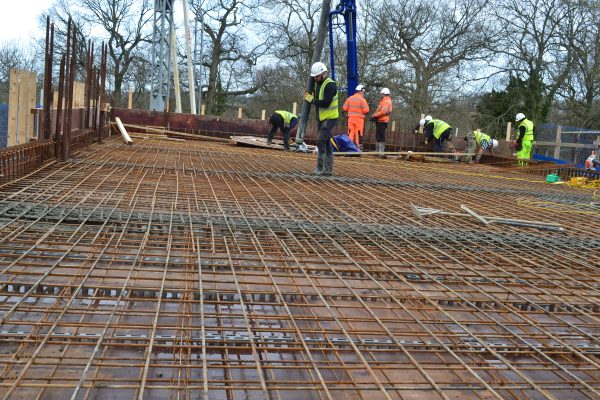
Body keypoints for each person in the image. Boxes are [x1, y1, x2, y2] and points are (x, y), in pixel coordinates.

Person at [304, 61, 339, 176]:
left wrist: (311, 100)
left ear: (323, 74)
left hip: (330, 119)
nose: (315, 79)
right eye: (313, 77)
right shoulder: (318, 83)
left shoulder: (330, 85)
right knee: (326, 142)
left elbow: (326, 103)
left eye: (316, 77)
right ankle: (328, 170)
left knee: (320, 140)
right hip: (322, 118)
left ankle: (320, 168)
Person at [342, 84, 369, 149]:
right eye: (363, 92)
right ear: (361, 91)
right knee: (358, 133)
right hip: (359, 120)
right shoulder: (362, 100)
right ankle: (358, 147)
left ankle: (349, 147)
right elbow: (366, 110)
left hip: (350, 119)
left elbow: (344, 108)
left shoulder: (350, 98)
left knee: (351, 132)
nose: (363, 94)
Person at [370, 88, 393, 154]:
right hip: (380, 120)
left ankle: (380, 152)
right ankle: (378, 152)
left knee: (380, 136)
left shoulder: (386, 101)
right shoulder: (384, 100)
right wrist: (375, 115)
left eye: (381, 94)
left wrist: (374, 115)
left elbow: (383, 112)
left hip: (382, 121)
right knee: (378, 136)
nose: (381, 95)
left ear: (383, 94)